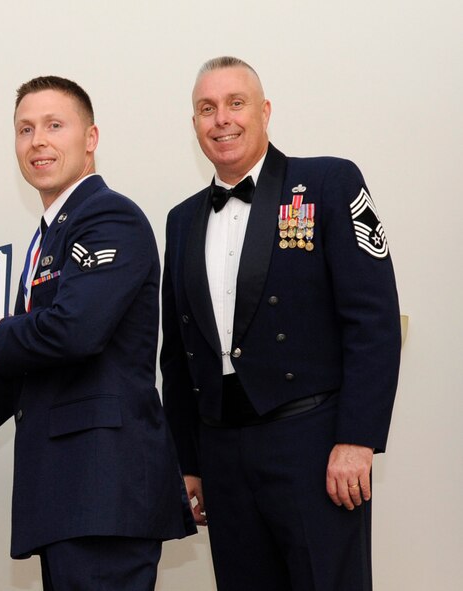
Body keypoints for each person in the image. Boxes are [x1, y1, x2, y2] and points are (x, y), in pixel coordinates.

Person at [0, 76, 195, 589]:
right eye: (25, 129)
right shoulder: (49, 238)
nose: (38, 141)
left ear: (91, 138)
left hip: (104, 491)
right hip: (69, 498)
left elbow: (77, 329)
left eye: (55, 125)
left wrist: (0, 334)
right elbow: (18, 372)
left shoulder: (109, 216)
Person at [160, 56, 401, 591]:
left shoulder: (328, 182)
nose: (222, 119)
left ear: (264, 111)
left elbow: (373, 320)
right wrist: (188, 461)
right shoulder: (180, 220)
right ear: (194, 123)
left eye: (236, 103)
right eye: (207, 109)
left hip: (313, 444)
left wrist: (357, 439)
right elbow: (177, 354)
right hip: (221, 453)